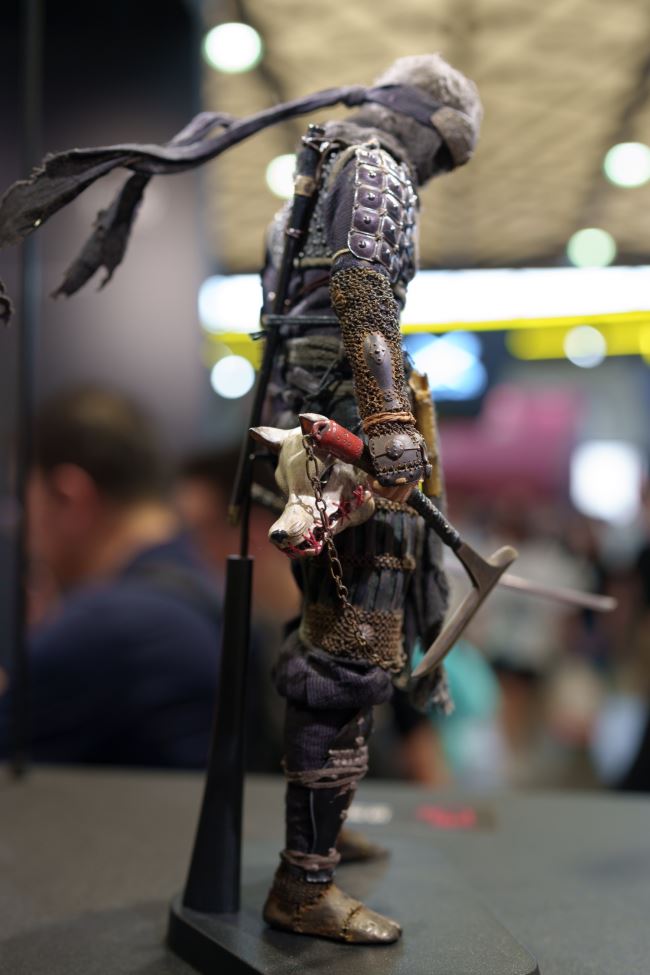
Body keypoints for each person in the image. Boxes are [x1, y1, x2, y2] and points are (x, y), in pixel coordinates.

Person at [0, 387, 221, 768]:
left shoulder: (109, 624)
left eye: (24, 502)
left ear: (70, 496)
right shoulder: (202, 583)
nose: (21, 529)